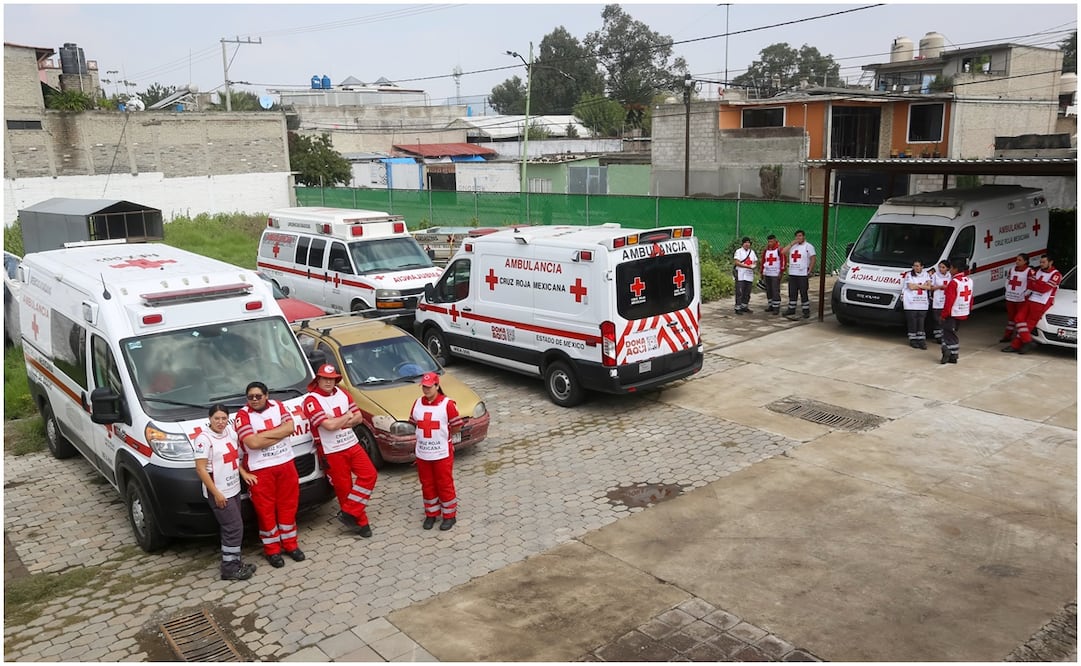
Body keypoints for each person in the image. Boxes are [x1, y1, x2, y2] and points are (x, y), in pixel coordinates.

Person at [302, 363, 378, 538]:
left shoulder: (343, 393)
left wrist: (337, 420)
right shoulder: (311, 400)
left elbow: (358, 417)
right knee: (344, 488)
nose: (328, 382)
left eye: (332, 379)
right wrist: (346, 416)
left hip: (351, 443)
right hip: (331, 451)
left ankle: (349, 512)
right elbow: (329, 426)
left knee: (370, 474)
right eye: (325, 379)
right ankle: (360, 522)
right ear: (318, 380)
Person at [236, 381, 306, 568]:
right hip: (260, 469)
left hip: (286, 464)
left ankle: (291, 545)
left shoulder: (278, 406)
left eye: (258, 396)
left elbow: (290, 428)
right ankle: (272, 550)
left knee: (288, 506)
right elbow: (252, 443)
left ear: (266, 395)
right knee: (265, 512)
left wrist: (263, 436)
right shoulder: (243, 415)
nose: (254, 400)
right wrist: (278, 434)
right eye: (250, 397)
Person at [193, 404, 258, 581]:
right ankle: (229, 569)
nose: (220, 422)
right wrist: (216, 494)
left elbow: (234, 458)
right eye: (216, 418)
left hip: (233, 488)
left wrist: (244, 474)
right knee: (233, 528)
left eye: (224, 418)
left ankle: (236, 563)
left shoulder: (230, 432)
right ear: (210, 419)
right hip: (220, 492)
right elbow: (200, 469)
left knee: (233, 527)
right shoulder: (203, 439)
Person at [409, 372, 463, 531]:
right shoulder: (417, 403)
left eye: (429, 387)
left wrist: (444, 437)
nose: (426, 390)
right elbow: (413, 423)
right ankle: (431, 513)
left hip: (442, 453)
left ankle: (449, 515)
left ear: (437, 386)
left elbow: (456, 426)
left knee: (444, 483)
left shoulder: (447, 404)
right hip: (423, 453)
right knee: (427, 484)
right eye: (424, 387)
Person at [1003, 253, 1062, 354]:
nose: (1041, 264)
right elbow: (1030, 285)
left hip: (1042, 302)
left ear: (1051, 262)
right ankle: (1028, 341)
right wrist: (1038, 284)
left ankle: (1015, 345)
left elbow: (1044, 289)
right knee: (1018, 319)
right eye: (1040, 262)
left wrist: (1036, 284)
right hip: (1032, 298)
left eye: (1044, 262)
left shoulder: (1056, 275)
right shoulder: (1038, 271)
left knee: (1028, 324)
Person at [939, 259, 974, 364]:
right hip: (963, 312)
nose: (949, 270)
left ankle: (948, 352)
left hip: (952, 313)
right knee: (952, 332)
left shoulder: (954, 283)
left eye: (951, 268)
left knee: (947, 334)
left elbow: (949, 301)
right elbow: (971, 298)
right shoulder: (969, 281)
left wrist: (943, 315)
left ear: (956, 269)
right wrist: (968, 310)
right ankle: (954, 355)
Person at [782, 230, 817, 318]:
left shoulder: (808, 246)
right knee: (792, 292)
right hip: (793, 273)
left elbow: (813, 258)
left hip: (802, 274)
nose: (798, 238)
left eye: (800, 236)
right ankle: (791, 309)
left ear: (804, 236)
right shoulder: (793, 246)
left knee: (803, 292)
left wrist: (810, 270)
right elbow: (783, 252)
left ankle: (806, 310)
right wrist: (792, 243)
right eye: (797, 236)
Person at [1000, 253, 1033, 343]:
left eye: (1019, 260)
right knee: (1011, 318)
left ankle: (1019, 337)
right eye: (1017, 260)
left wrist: (1025, 294)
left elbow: (1031, 285)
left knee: (1019, 319)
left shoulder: (1029, 271)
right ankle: (1007, 335)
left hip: (1021, 299)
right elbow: (1008, 281)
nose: (1017, 262)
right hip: (1010, 297)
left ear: (1025, 261)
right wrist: (1008, 290)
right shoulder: (1012, 269)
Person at [902, 259, 931, 349]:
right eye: (914, 266)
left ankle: (921, 340)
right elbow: (910, 287)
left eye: (918, 266)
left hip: (922, 302)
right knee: (912, 321)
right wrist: (923, 286)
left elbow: (929, 287)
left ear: (922, 267)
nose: (916, 267)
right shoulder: (909, 275)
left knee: (921, 322)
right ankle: (913, 340)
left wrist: (917, 285)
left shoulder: (926, 274)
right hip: (911, 302)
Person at [760, 234, 786, 314]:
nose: (770, 243)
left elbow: (783, 261)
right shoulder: (766, 250)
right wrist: (762, 272)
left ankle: (776, 307)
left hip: (775, 274)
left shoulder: (779, 250)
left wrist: (781, 272)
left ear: (775, 241)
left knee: (775, 290)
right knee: (768, 290)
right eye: (769, 242)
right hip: (767, 273)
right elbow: (763, 261)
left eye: (771, 241)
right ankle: (770, 305)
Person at [926, 260, 951, 343]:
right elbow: (931, 287)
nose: (941, 269)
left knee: (946, 319)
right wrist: (940, 286)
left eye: (943, 267)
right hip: (937, 300)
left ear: (947, 268)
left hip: (946, 299)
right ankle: (938, 336)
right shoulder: (935, 275)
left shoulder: (950, 276)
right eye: (939, 267)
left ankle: (945, 335)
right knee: (937, 319)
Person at [732, 236, 757, 314]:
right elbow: (737, 262)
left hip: (749, 274)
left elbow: (755, 261)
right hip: (740, 274)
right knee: (739, 291)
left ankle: (744, 306)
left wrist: (754, 266)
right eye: (745, 242)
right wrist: (747, 266)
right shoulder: (739, 251)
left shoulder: (752, 252)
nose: (747, 244)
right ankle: (738, 307)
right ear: (742, 244)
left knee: (747, 291)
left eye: (748, 243)